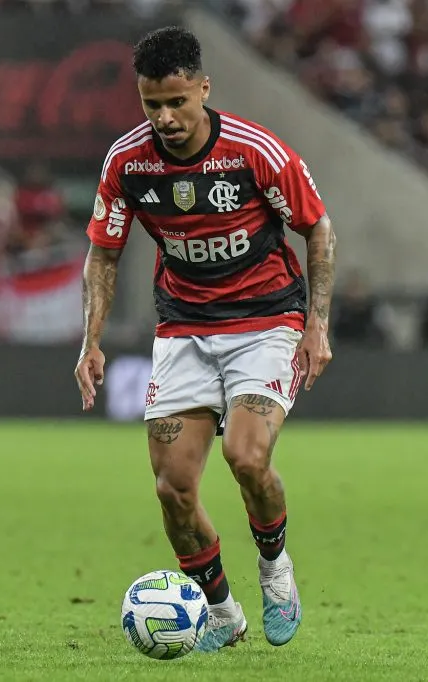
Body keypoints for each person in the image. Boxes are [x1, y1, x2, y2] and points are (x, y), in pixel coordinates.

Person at [74, 26, 337, 652]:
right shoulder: (128, 162)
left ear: (203, 88)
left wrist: (317, 324)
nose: (164, 118)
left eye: (176, 102)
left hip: (266, 323)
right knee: (173, 489)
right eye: (151, 105)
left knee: (247, 457)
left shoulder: (256, 153)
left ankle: (275, 570)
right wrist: (91, 342)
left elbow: (318, 230)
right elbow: (103, 256)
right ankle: (221, 613)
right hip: (184, 329)